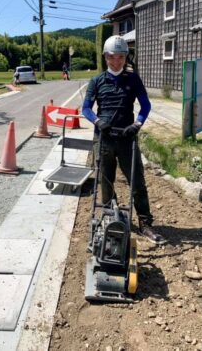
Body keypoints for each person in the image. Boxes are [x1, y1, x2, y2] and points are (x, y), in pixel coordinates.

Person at [82, 35, 166, 245]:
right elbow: (85, 108)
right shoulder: (96, 81)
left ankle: (145, 224)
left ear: (125, 58)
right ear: (105, 57)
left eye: (120, 57)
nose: (116, 61)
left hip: (127, 139)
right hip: (104, 139)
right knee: (106, 181)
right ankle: (111, 218)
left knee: (137, 181)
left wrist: (136, 125)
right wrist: (98, 121)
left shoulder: (133, 79)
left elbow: (145, 106)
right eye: (112, 57)